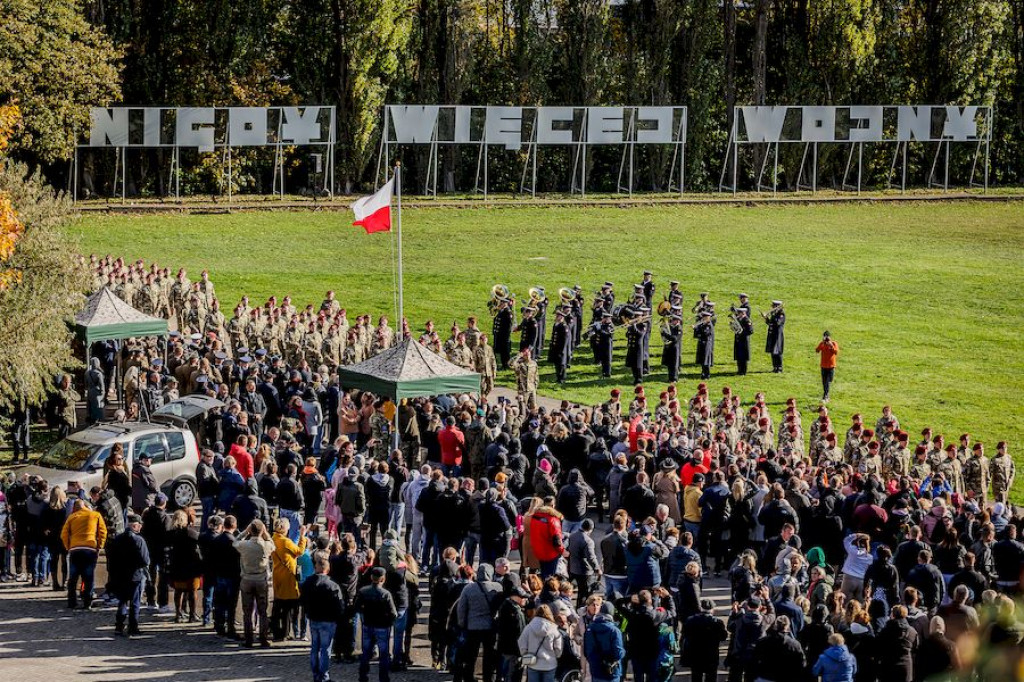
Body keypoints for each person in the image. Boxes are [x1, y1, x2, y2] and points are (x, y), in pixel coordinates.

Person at [301, 550, 346, 682]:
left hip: (314, 618)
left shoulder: (308, 582)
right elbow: (339, 605)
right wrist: (338, 617)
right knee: (325, 649)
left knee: (315, 647)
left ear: (316, 567)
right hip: (328, 620)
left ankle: (316, 675)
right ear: (327, 569)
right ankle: (324, 676)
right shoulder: (333, 585)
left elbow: (302, 600)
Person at [106, 512, 150, 637]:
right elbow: (146, 560)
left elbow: (111, 558)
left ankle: (119, 626)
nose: (141, 527)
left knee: (122, 601)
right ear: (135, 526)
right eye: (139, 525)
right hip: (135, 576)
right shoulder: (139, 540)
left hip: (120, 575)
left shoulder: (118, 539)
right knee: (135, 602)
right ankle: (133, 627)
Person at [60, 499, 107, 609]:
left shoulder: (72, 517)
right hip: (90, 548)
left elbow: (64, 534)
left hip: (75, 549)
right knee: (88, 577)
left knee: (73, 577)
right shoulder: (95, 515)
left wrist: (69, 547)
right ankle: (87, 602)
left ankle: (72, 602)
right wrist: (99, 546)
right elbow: (103, 532)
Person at [234, 519, 275, 647]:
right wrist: (266, 534)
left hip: (246, 579)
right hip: (261, 579)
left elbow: (235, 542)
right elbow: (273, 545)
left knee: (247, 611)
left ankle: (249, 639)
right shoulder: (266, 545)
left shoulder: (244, 545)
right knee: (262, 611)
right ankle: (263, 638)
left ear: (250, 531)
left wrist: (244, 533)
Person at [356, 566, 398, 682]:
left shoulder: (363, 591)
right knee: (384, 654)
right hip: (383, 626)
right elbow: (393, 613)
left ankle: (363, 676)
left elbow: (357, 607)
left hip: (368, 624)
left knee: (366, 652)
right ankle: (383, 677)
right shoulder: (386, 594)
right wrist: (389, 621)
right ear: (383, 579)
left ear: (371, 577)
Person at [681, 599, 727, 682]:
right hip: (711, 655)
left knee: (696, 677)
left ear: (701, 608)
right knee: (711, 677)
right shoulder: (717, 622)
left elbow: (685, 634)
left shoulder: (690, 620)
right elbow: (723, 637)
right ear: (712, 609)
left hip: (695, 654)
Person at [517, 603, 563, 682]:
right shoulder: (553, 629)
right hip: (549, 664)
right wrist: (555, 655)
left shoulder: (529, 627)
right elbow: (558, 648)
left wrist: (526, 654)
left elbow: (521, 642)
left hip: (533, 664)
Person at [815, 331, 839, 401]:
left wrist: (831, 345)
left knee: (829, 380)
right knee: (825, 381)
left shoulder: (834, 343)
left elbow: (836, 352)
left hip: (831, 366)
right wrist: (822, 344)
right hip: (823, 366)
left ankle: (826, 395)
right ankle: (826, 395)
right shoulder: (822, 343)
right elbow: (817, 350)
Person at [764, 301, 785, 373]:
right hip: (772, 334)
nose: (772, 307)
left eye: (774, 306)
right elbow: (770, 323)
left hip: (777, 336)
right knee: (772, 351)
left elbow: (778, 323)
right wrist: (766, 318)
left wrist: (773, 314)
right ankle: (775, 366)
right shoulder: (775, 314)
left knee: (778, 351)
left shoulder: (781, 314)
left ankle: (779, 367)